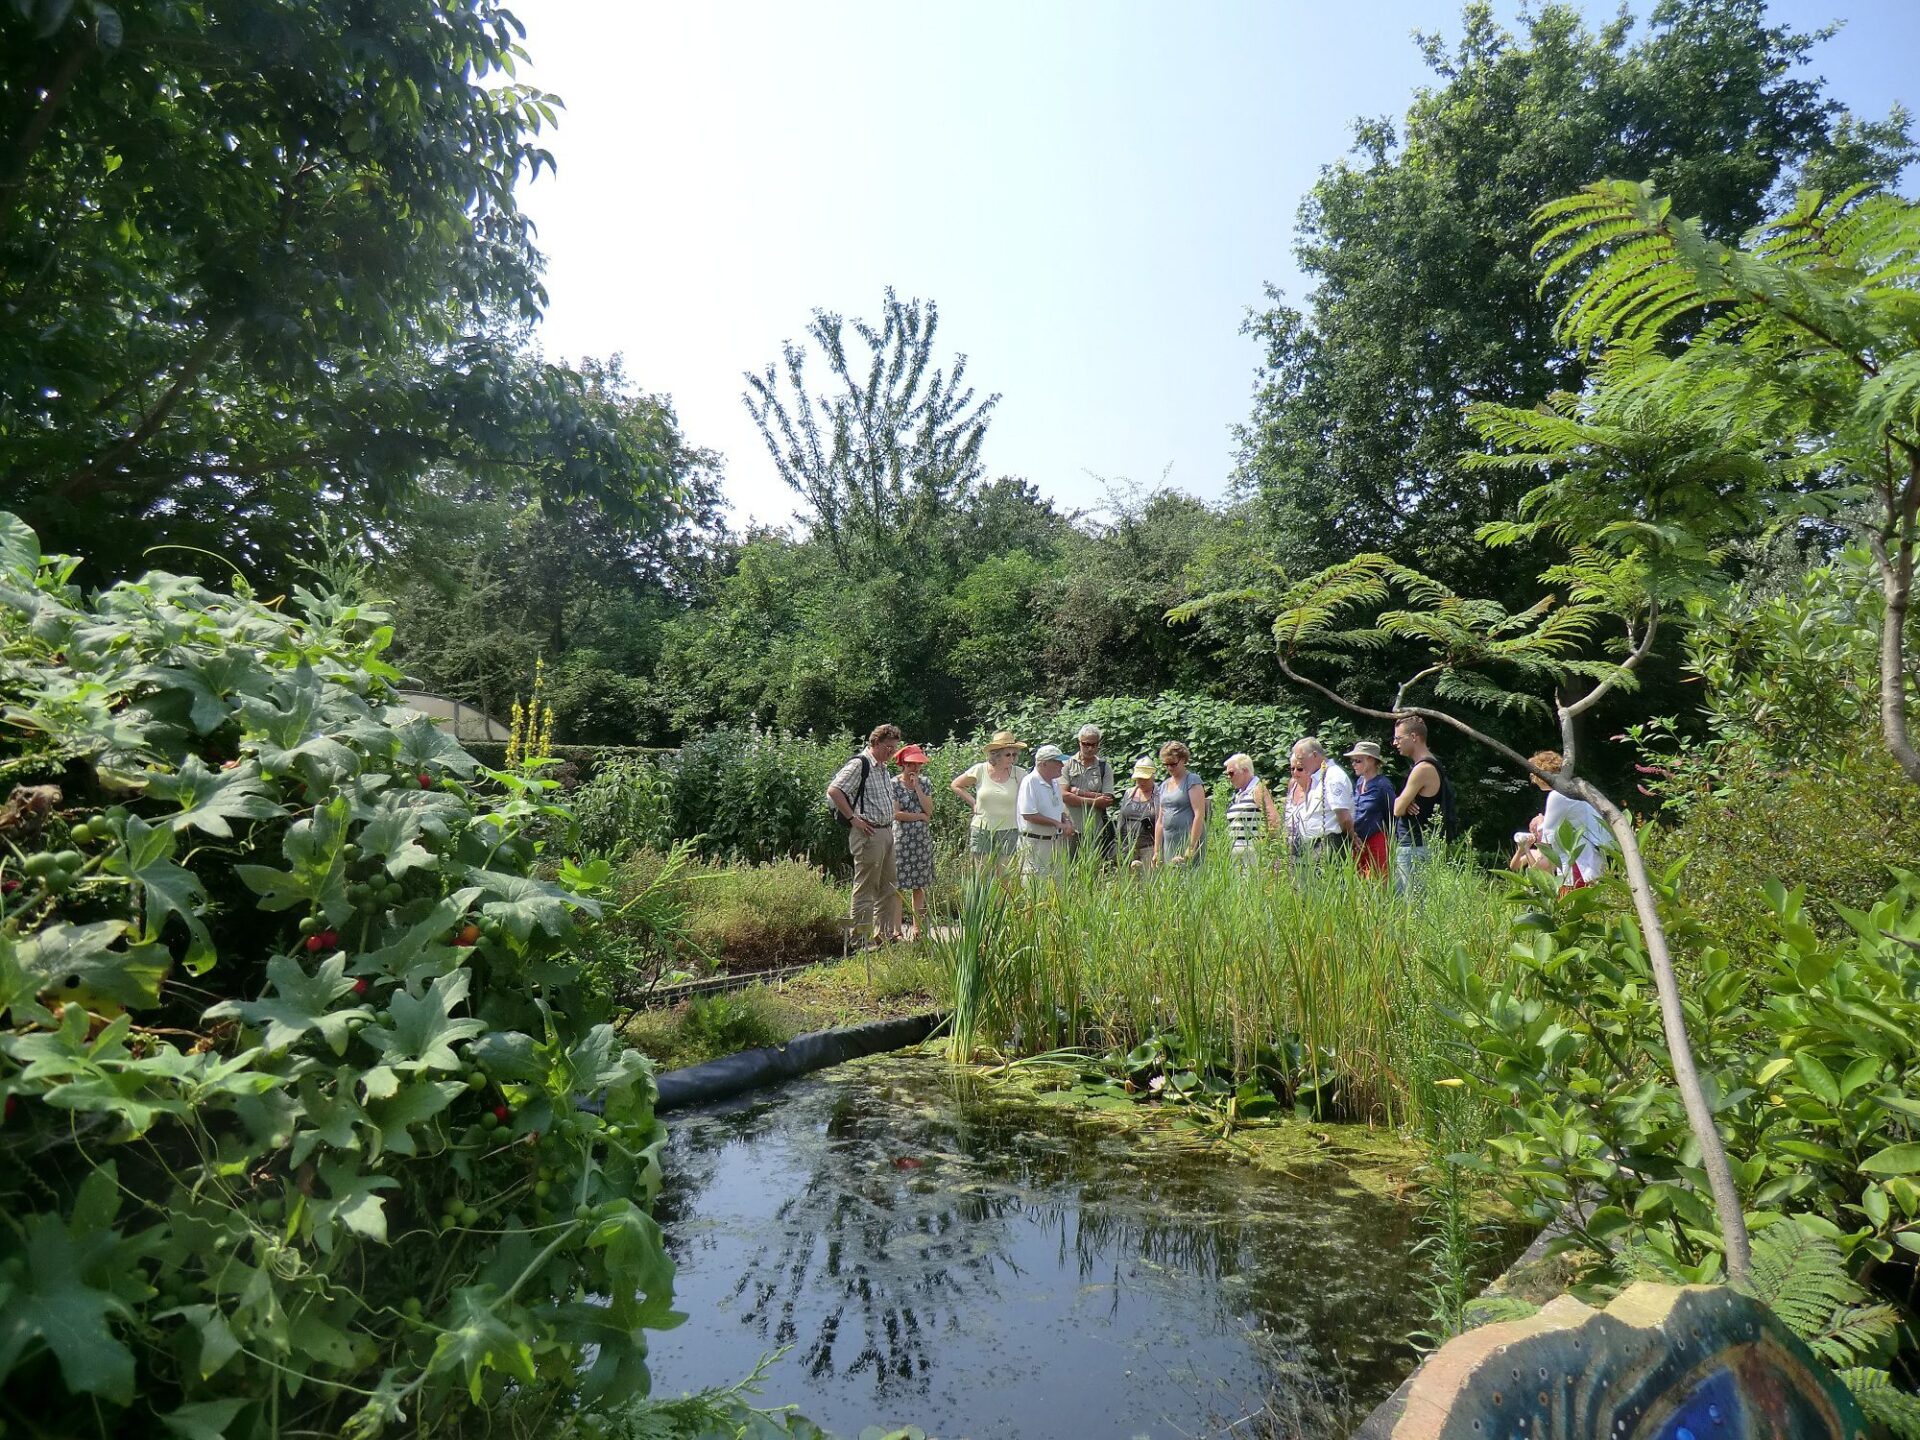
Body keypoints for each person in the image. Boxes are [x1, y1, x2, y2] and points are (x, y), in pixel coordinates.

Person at [827, 723, 902, 945]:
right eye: (888, 747)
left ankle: (884, 936)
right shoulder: (860, 764)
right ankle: (859, 940)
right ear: (875, 742)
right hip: (868, 833)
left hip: (886, 831)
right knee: (866, 887)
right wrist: (853, 818)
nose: (891, 751)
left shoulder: (882, 766)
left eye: (894, 747)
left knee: (889, 886)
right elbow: (834, 790)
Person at [1510, 749, 1612, 893]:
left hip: (1576, 867)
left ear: (1541, 775)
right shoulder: (1573, 790)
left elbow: (1546, 841)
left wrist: (1538, 825)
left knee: (1570, 909)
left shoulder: (1556, 796)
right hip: (1591, 862)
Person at [1392, 714, 1457, 893]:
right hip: (1418, 846)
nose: (1394, 743)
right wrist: (1406, 801)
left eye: (1398, 738)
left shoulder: (1423, 769)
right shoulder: (1431, 764)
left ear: (1414, 737)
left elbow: (1397, 809)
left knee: (1413, 906)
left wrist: (1404, 802)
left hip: (1415, 848)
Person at [951, 731, 1027, 872]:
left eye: (1014, 754)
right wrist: (973, 803)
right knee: (981, 874)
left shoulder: (1019, 774)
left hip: (1009, 830)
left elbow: (1029, 796)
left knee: (1006, 876)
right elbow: (956, 785)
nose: (1012, 758)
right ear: (996, 754)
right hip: (982, 829)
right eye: (1008, 754)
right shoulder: (980, 770)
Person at [889, 744, 935, 939]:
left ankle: (918, 929)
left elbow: (929, 811)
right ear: (903, 765)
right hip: (901, 840)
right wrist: (918, 817)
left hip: (921, 841)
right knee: (898, 886)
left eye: (918, 765)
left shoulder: (924, 783)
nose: (914, 769)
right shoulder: (893, 784)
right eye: (910, 765)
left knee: (919, 885)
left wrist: (916, 788)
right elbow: (895, 814)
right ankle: (896, 930)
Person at [1284, 737, 1354, 861]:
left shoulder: (1333, 776)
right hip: (1311, 846)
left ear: (1315, 755)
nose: (1299, 763)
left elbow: (1344, 817)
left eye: (1301, 758)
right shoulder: (1316, 778)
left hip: (1329, 844)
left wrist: (1352, 837)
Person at [1060, 724, 1115, 863]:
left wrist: (1078, 792)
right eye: (1086, 744)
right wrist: (1095, 801)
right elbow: (1063, 795)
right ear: (1079, 743)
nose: (1090, 748)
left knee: (1092, 871)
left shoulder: (1104, 767)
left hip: (1094, 830)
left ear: (1098, 744)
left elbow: (1108, 800)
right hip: (1070, 828)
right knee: (1067, 869)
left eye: (1093, 744)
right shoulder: (1067, 764)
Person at [1018, 743, 1075, 879]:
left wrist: (1066, 822)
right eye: (1057, 762)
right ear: (1043, 764)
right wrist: (1057, 824)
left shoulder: (1055, 782)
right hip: (1035, 843)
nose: (1062, 765)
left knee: (1057, 884)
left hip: (1054, 842)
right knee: (1034, 884)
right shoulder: (1030, 781)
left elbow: (1059, 810)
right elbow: (1028, 814)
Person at [1153, 740, 1208, 867]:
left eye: (1173, 764)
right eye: (1166, 764)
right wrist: (1156, 851)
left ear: (1183, 760)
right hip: (1169, 841)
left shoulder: (1192, 780)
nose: (1169, 768)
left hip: (1187, 839)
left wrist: (1191, 846)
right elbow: (1160, 820)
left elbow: (1199, 815)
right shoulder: (1164, 785)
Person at [1221, 752, 1281, 866]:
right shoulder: (1239, 794)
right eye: (1227, 774)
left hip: (1254, 854)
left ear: (1245, 770)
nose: (1229, 777)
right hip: (1238, 856)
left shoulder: (1257, 789)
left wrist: (1268, 847)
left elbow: (1273, 819)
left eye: (1231, 773)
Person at [1346, 740, 1394, 880]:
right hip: (1357, 841)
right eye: (1353, 760)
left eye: (1357, 760)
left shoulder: (1383, 785)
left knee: (1379, 885)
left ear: (1371, 760)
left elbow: (1391, 816)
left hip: (1375, 841)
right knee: (1359, 887)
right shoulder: (1360, 782)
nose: (1353, 764)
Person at [1115, 756, 1159, 869]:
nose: (1141, 782)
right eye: (1138, 778)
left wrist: (1158, 850)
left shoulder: (1160, 795)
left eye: (1145, 778)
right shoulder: (1129, 793)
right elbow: (1121, 819)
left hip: (1149, 847)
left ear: (1153, 776)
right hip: (1127, 848)